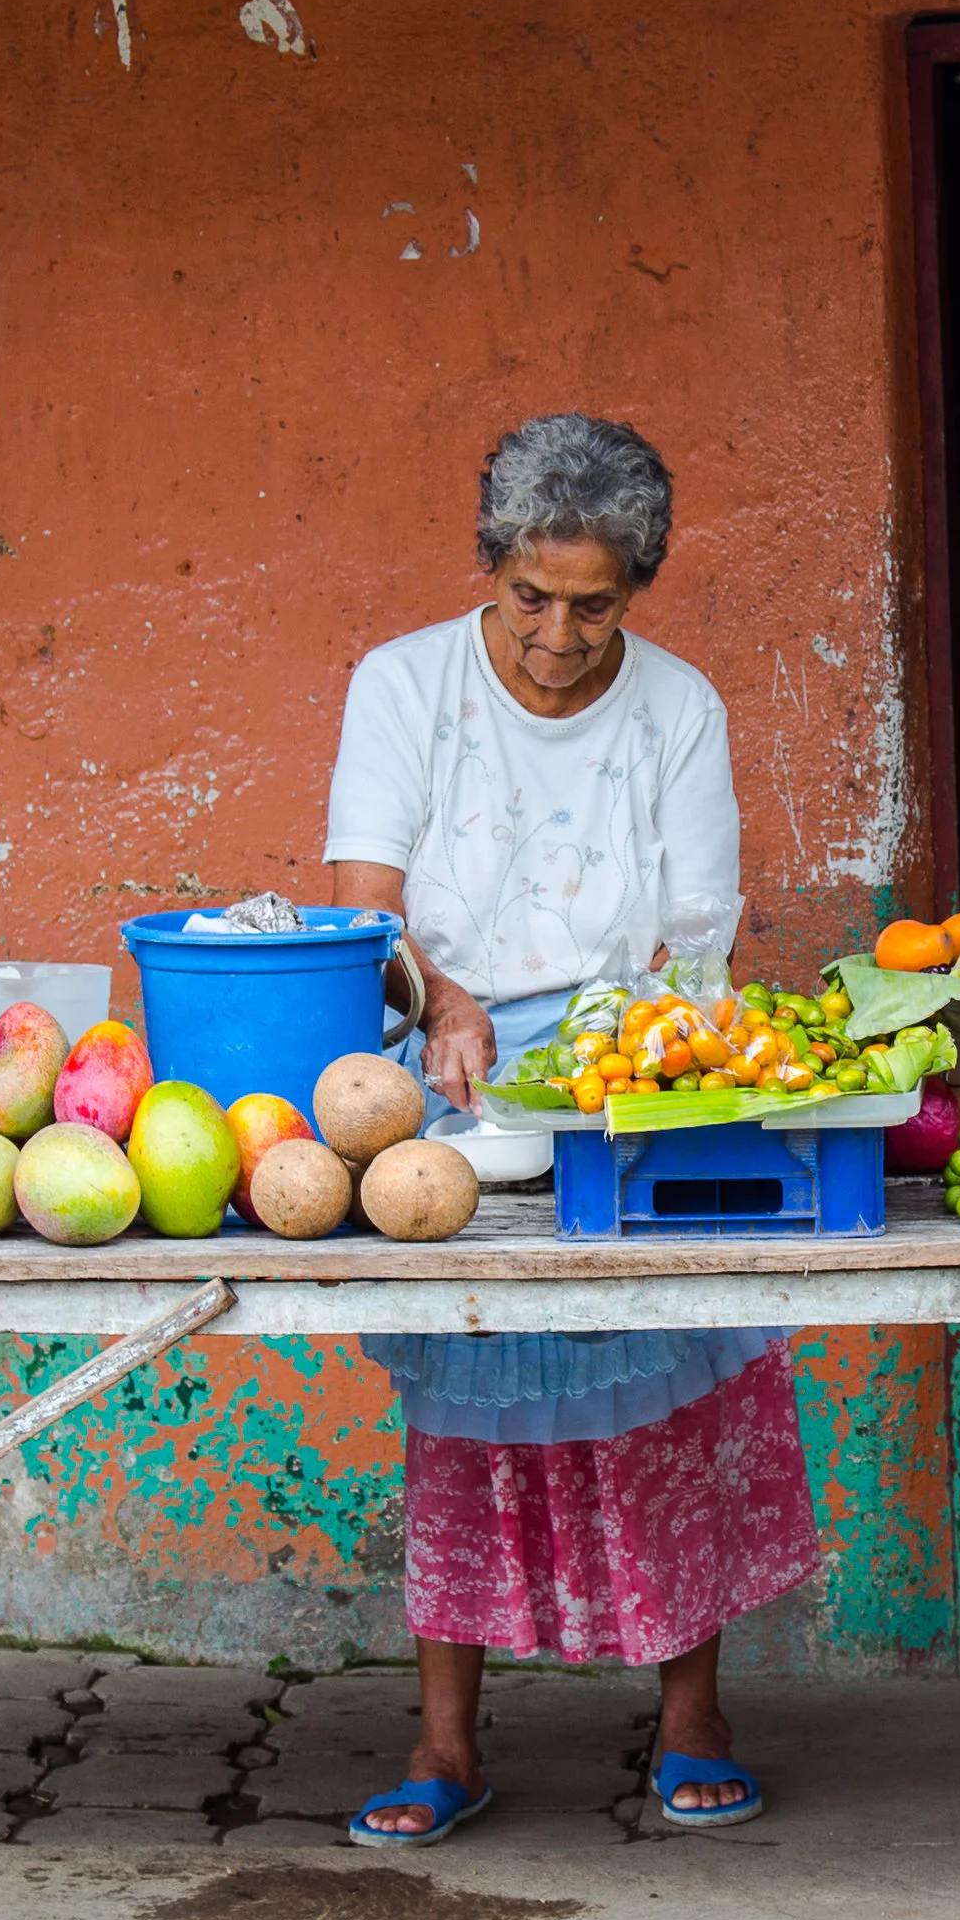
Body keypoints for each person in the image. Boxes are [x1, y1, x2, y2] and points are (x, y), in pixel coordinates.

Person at [323, 413, 820, 1846]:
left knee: (671, 1385)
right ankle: (444, 1741)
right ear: (490, 567)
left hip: (629, 1076)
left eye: (592, 606)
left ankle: (692, 1718)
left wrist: (614, 1052)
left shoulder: (679, 709)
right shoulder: (405, 685)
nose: (555, 636)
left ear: (638, 588)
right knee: (466, 1407)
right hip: (447, 1075)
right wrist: (447, 1002)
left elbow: (693, 941)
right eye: (528, 596)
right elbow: (366, 906)